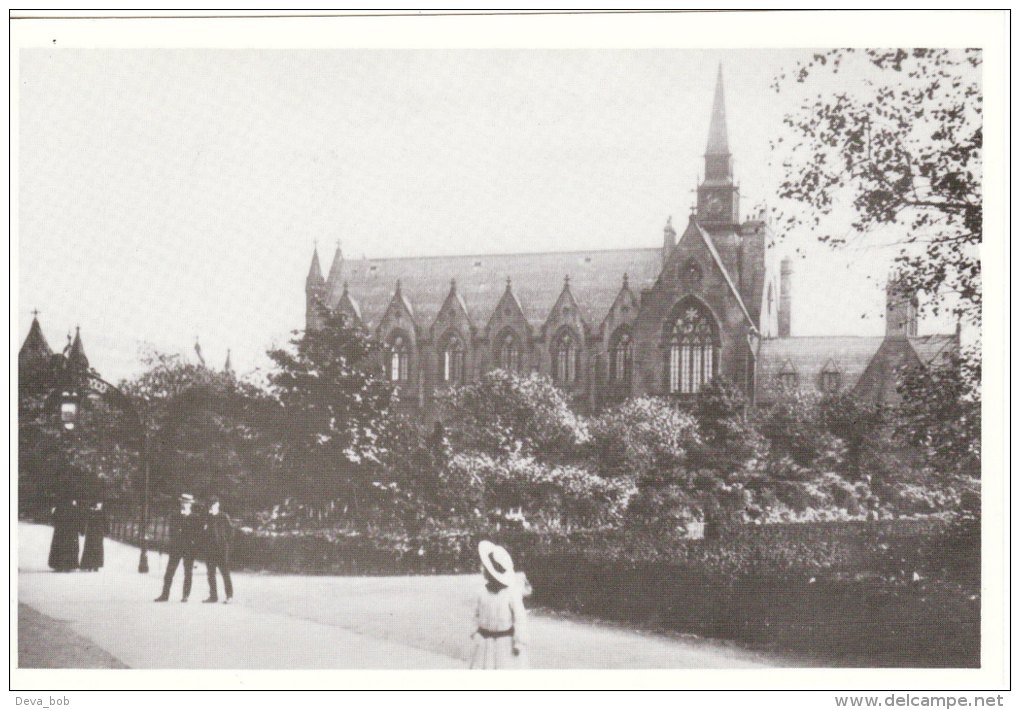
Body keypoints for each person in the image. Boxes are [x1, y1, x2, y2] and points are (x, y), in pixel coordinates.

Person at [468, 540, 529, 669]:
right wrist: (475, 633)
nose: (482, 569)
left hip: (505, 646)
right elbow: (475, 614)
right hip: (484, 645)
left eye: (485, 567)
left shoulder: (511, 593)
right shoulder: (481, 592)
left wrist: (519, 643)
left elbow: (520, 618)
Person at [154, 493, 200, 602]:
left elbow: (197, 534)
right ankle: (165, 595)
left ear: (191, 505)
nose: (185, 505)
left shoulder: (195, 517)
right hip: (176, 547)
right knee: (169, 572)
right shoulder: (175, 516)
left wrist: (194, 545)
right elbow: (171, 531)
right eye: (183, 503)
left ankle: (185, 595)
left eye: (187, 503)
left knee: (188, 572)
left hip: (189, 548)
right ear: (181, 503)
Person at [200, 496, 234, 604]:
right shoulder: (207, 518)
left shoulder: (224, 516)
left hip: (221, 549)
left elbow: (231, 531)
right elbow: (203, 533)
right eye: (210, 505)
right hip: (210, 550)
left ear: (218, 505)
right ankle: (213, 596)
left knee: (225, 573)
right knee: (210, 574)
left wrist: (226, 543)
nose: (212, 507)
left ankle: (229, 596)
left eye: (214, 505)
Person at [47, 498, 83, 572]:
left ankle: (58, 565)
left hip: (60, 531)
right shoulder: (75, 508)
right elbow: (79, 520)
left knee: (60, 547)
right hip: (71, 532)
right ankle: (69, 565)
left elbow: (53, 519)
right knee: (70, 547)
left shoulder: (60, 508)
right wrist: (80, 530)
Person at [79, 501, 108, 572]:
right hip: (97, 532)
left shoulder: (91, 512)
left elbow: (84, 521)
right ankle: (95, 565)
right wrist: (107, 531)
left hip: (92, 532)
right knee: (96, 548)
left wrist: (82, 530)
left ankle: (89, 564)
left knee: (90, 547)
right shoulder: (100, 512)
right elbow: (106, 522)